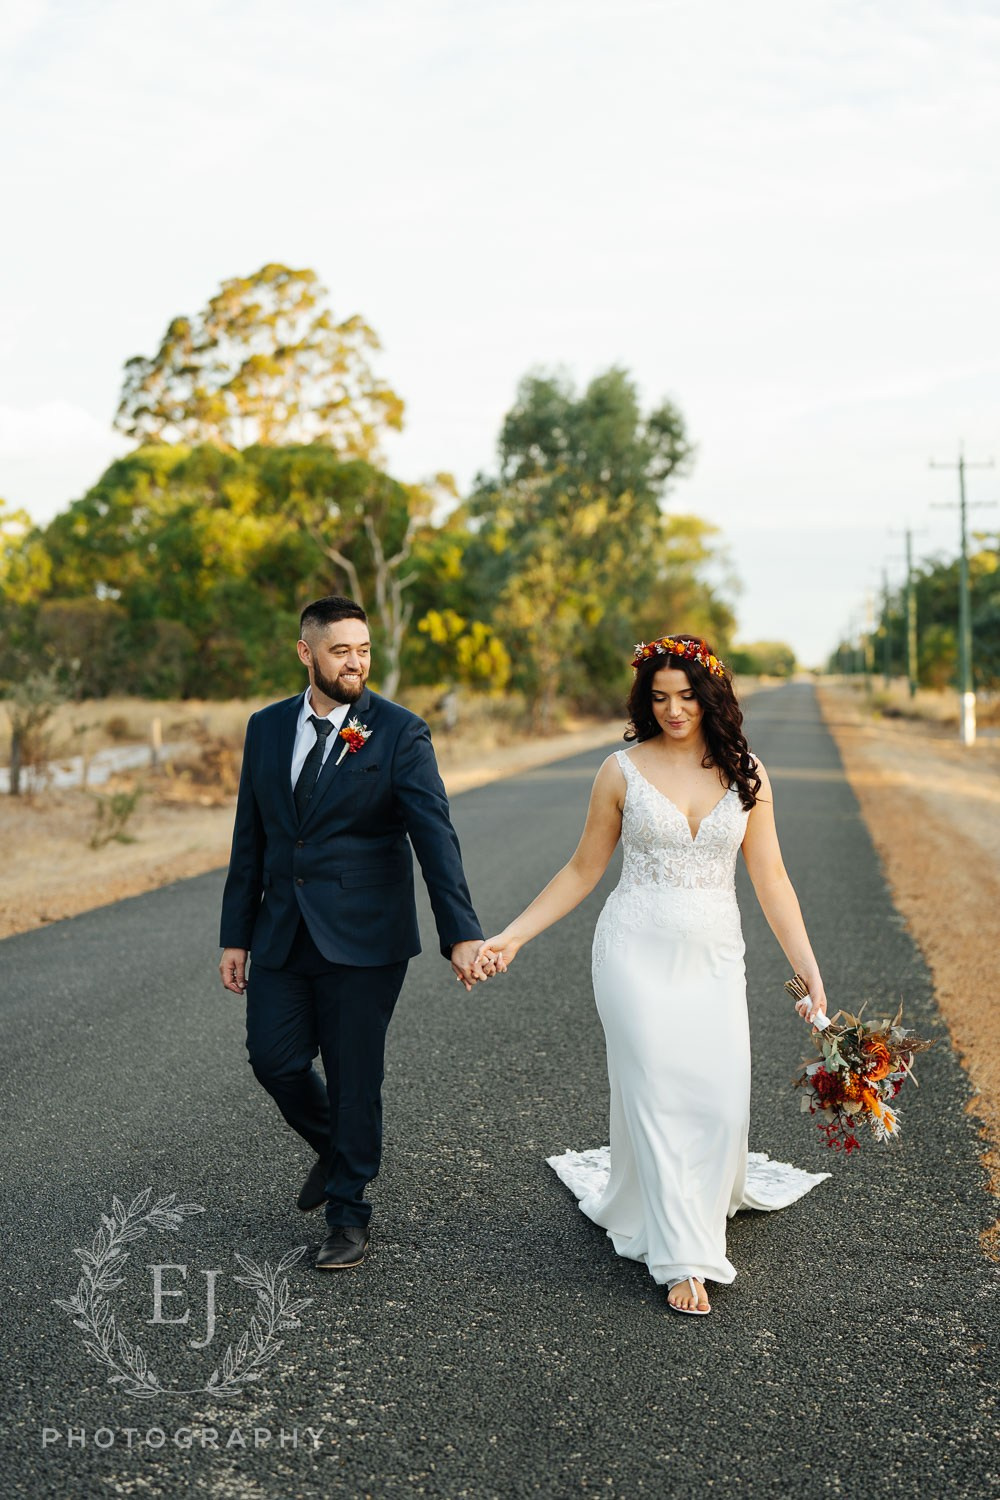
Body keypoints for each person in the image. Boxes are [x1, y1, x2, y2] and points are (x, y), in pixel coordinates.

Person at [474, 634, 828, 1316]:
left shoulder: (747, 773)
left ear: (711, 697)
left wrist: (808, 970)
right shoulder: (620, 772)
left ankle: (692, 1203)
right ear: (645, 700)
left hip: (716, 957)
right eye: (660, 697)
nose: (674, 710)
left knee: (721, 1103)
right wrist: (513, 935)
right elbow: (583, 869)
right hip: (632, 952)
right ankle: (683, 1259)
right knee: (657, 1092)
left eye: (687, 696)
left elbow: (773, 878)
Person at [219, 595, 489, 1271]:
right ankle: (338, 1149)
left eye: (363, 650)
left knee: (353, 1077)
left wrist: (460, 932)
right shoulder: (266, 728)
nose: (355, 663)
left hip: (366, 938)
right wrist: (235, 935)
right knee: (274, 1060)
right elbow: (251, 837)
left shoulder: (398, 732)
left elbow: (435, 838)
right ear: (306, 653)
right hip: (282, 931)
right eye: (340, 651)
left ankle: (348, 1215)